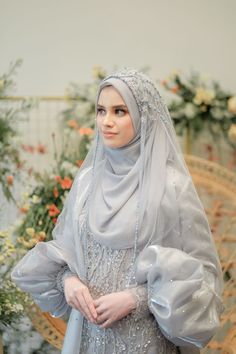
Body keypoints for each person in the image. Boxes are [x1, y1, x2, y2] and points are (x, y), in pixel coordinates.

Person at [11, 68, 224, 354]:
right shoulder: (87, 183)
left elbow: (204, 275)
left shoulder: (172, 186)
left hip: (146, 340)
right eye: (101, 110)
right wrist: (68, 281)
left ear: (142, 116)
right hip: (87, 338)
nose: (106, 122)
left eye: (120, 111)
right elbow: (66, 251)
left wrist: (139, 298)